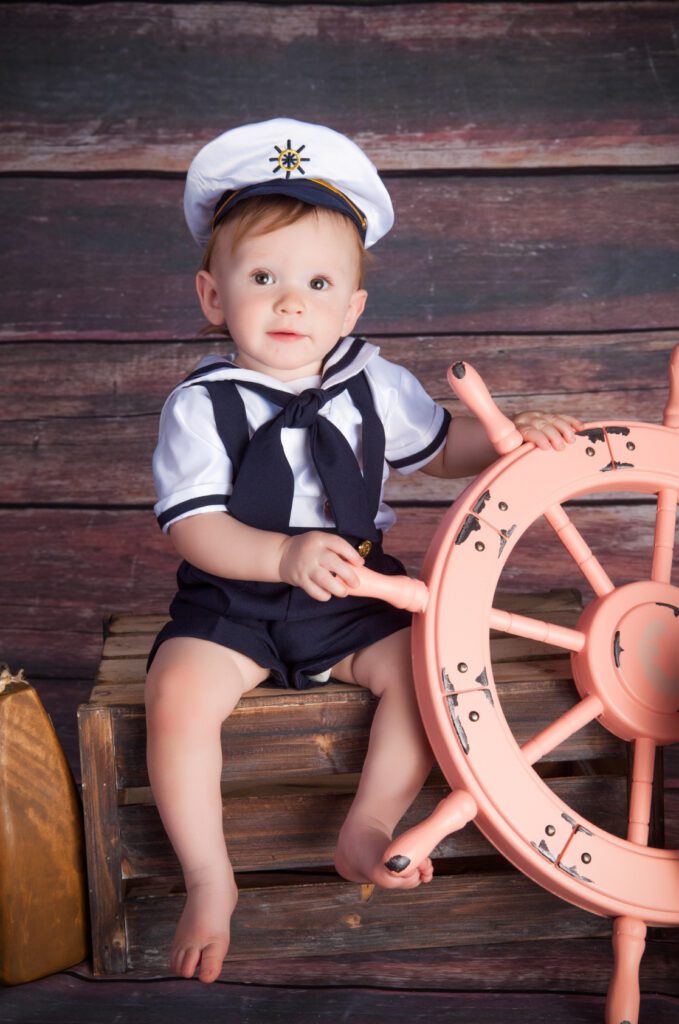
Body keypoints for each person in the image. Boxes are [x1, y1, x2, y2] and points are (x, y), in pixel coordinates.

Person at [144, 117, 583, 984]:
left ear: (350, 306)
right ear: (211, 295)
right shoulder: (201, 403)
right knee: (177, 696)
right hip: (235, 596)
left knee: (426, 671)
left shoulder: (374, 381)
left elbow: (437, 449)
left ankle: (368, 824)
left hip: (353, 590)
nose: (289, 302)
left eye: (315, 283)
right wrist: (277, 559)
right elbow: (193, 526)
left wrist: (504, 442)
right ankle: (210, 877)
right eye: (261, 278)